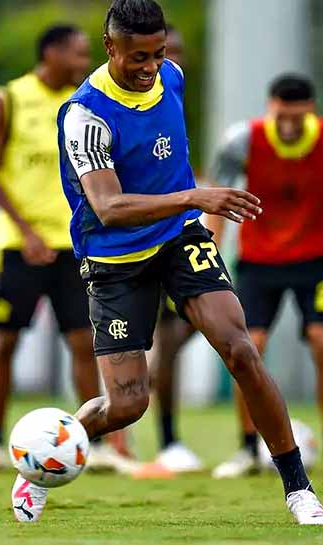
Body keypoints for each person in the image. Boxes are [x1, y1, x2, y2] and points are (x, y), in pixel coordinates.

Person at [10, 0, 323, 525]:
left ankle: (299, 490)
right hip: (116, 259)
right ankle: (43, 455)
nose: (149, 67)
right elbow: (110, 209)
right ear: (110, 47)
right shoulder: (85, 116)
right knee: (127, 404)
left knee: (241, 351)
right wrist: (193, 197)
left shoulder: (172, 77)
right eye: (137, 56)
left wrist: (187, 206)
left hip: (179, 239)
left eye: (158, 53)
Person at [0, 24, 132, 476]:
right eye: (77, 55)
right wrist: (28, 231)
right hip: (21, 246)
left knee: (82, 343)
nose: (84, 63)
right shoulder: (8, 100)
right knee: (6, 342)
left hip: (75, 247)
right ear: (51, 53)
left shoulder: (89, 101)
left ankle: (90, 445)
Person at [208, 74, 323, 481]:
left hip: (316, 262)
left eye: (299, 115)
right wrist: (209, 255)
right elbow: (216, 199)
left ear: (311, 110)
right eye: (283, 115)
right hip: (258, 262)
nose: (291, 124)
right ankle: (247, 450)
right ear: (270, 107)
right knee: (248, 347)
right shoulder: (242, 141)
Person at [135, 22, 203, 476]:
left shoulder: (173, 92)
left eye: (172, 52)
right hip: (137, 239)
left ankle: (169, 437)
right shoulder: (115, 100)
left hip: (179, 235)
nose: (167, 62)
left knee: (184, 335)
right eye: (162, 52)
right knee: (153, 340)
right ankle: (165, 439)